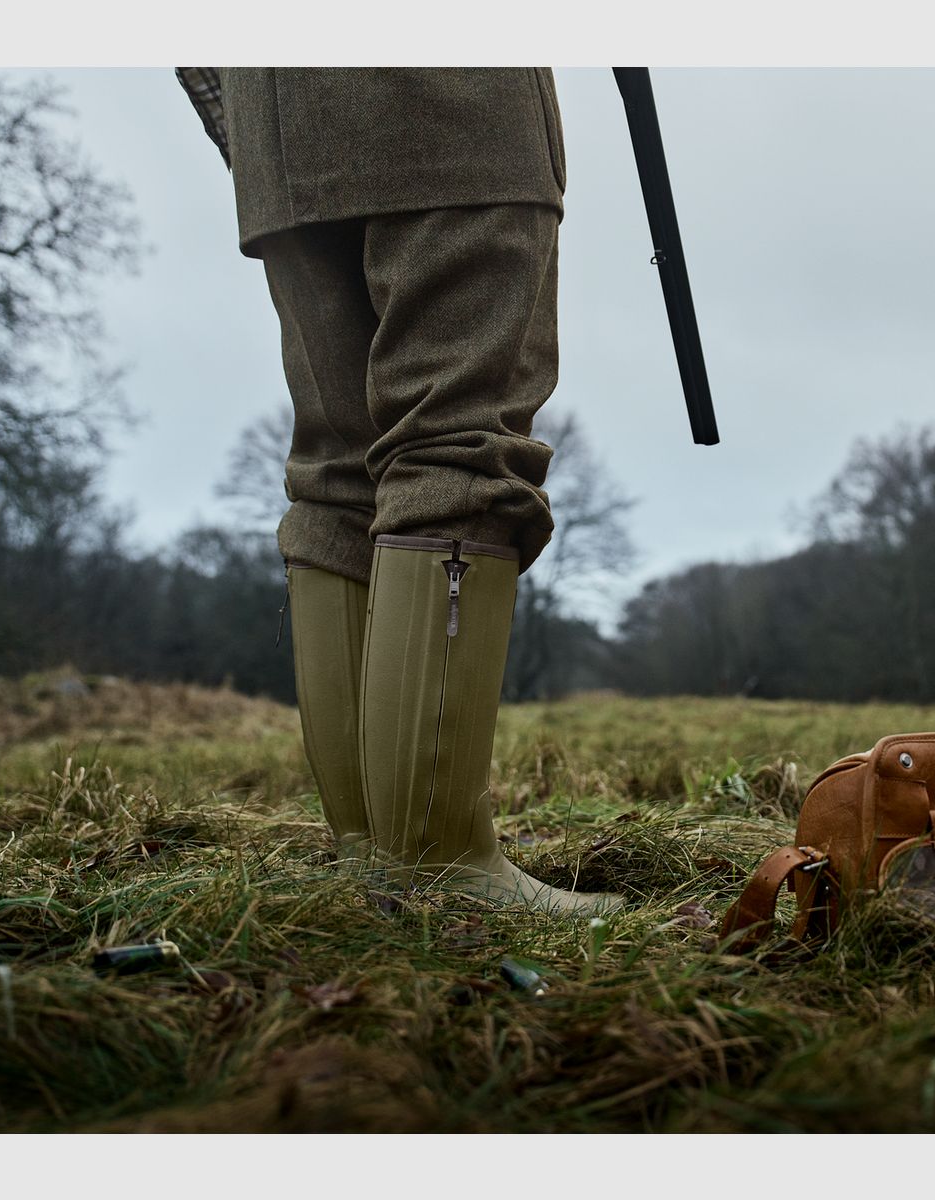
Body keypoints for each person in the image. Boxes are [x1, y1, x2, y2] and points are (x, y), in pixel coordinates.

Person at [176, 67, 616, 915]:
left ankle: (373, 857)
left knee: (340, 468)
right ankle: (439, 863)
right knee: (457, 440)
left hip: (279, 120)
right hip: (447, 103)